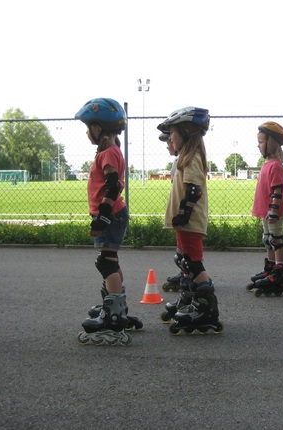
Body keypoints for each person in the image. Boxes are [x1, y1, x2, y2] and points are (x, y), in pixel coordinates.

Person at [75, 97, 141, 346]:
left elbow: (113, 186)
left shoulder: (108, 153)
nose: (87, 133)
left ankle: (113, 315)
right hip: (112, 214)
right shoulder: (111, 152)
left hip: (110, 214)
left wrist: (102, 216)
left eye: (88, 128)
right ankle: (116, 306)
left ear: (98, 128)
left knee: (106, 262)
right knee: (110, 261)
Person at [156, 106, 222, 334]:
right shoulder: (185, 158)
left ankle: (207, 308)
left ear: (186, 132)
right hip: (184, 223)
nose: (170, 138)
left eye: (173, 133)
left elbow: (194, 190)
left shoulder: (192, 157)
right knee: (184, 261)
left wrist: (183, 214)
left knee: (193, 263)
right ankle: (188, 299)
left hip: (190, 222)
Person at [248, 121, 283, 297]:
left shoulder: (275, 165)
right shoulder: (267, 163)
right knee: (268, 239)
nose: (258, 145)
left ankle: (280, 274)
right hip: (265, 211)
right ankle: (271, 268)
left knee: (275, 240)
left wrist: (273, 210)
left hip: (274, 212)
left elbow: (277, 190)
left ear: (270, 143)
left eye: (261, 142)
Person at [159, 131, 185, 293]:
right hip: (178, 209)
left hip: (183, 211)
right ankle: (185, 273)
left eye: (169, 142)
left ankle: (194, 276)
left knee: (185, 252)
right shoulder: (178, 160)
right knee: (181, 249)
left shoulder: (181, 160)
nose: (168, 146)